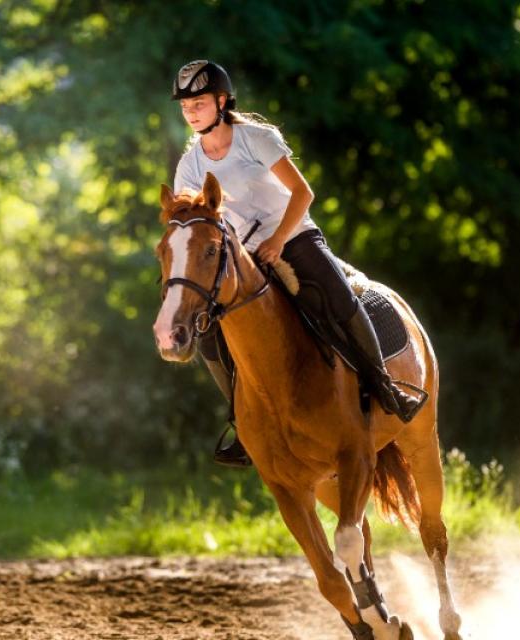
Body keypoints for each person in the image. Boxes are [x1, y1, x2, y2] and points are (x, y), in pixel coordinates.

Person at [171, 60, 424, 467]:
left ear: (222, 101)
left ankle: (385, 386)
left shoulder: (256, 138)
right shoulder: (190, 164)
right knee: (208, 335)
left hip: (294, 237)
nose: (190, 111)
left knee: (340, 300)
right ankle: (241, 421)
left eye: (198, 102)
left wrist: (277, 239)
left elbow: (302, 193)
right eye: (185, 105)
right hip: (243, 259)